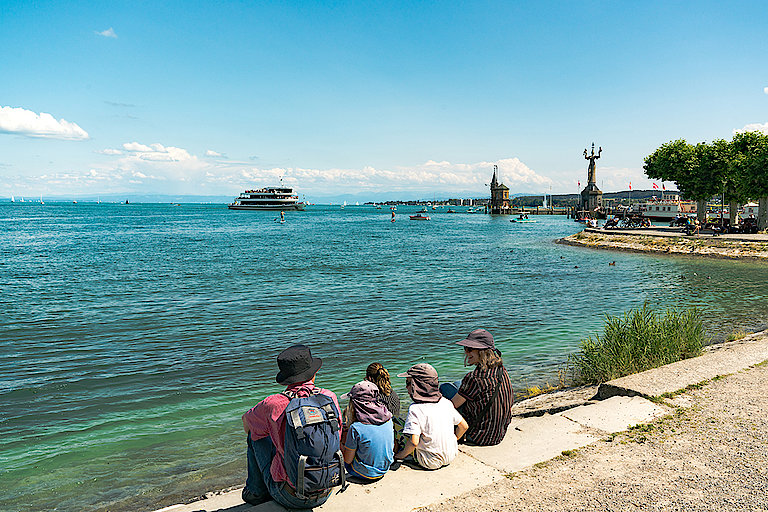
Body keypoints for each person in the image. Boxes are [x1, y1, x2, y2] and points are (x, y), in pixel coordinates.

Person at [241, 344, 342, 509]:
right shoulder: (329, 397)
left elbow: (246, 423)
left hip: (290, 497)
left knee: (254, 436)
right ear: (313, 373)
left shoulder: (273, 403)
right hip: (327, 489)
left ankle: (255, 492)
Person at [440, 329, 513, 446]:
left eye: (469, 349)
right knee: (458, 384)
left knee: (445, 388)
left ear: (482, 352)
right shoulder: (501, 369)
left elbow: (451, 406)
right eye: (465, 349)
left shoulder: (475, 378)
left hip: (478, 436)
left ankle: (451, 431)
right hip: (499, 433)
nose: (466, 353)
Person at [394, 363, 468, 470]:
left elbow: (414, 442)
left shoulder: (416, 409)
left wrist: (400, 456)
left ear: (417, 386)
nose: (406, 386)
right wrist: (453, 440)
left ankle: (395, 453)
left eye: (408, 383)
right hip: (451, 456)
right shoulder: (445, 402)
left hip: (429, 461)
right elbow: (464, 426)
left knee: (395, 421)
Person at [340, 381, 394, 482]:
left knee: (342, 443)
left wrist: (340, 444)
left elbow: (347, 460)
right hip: (384, 468)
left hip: (364, 473)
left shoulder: (356, 428)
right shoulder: (388, 418)